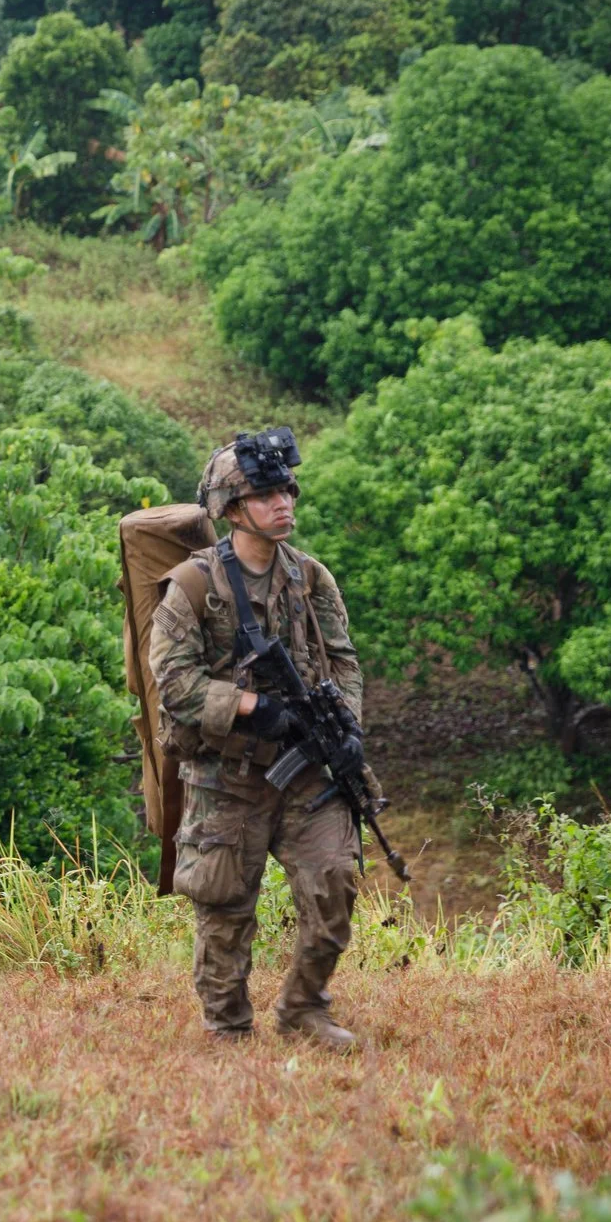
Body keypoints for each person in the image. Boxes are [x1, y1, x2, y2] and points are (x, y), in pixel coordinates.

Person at [147, 429, 368, 1049]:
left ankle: (304, 1010)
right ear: (232, 507)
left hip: (307, 771)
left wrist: (346, 727)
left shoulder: (310, 577)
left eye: (288, 490)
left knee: (335, 881)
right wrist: (252, 707)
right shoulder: (192, 587)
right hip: (228, 776)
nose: (284, 503)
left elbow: (344, 661)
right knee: (224, 911)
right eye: (267, 493)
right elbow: (174, 683)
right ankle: (228, 1029)